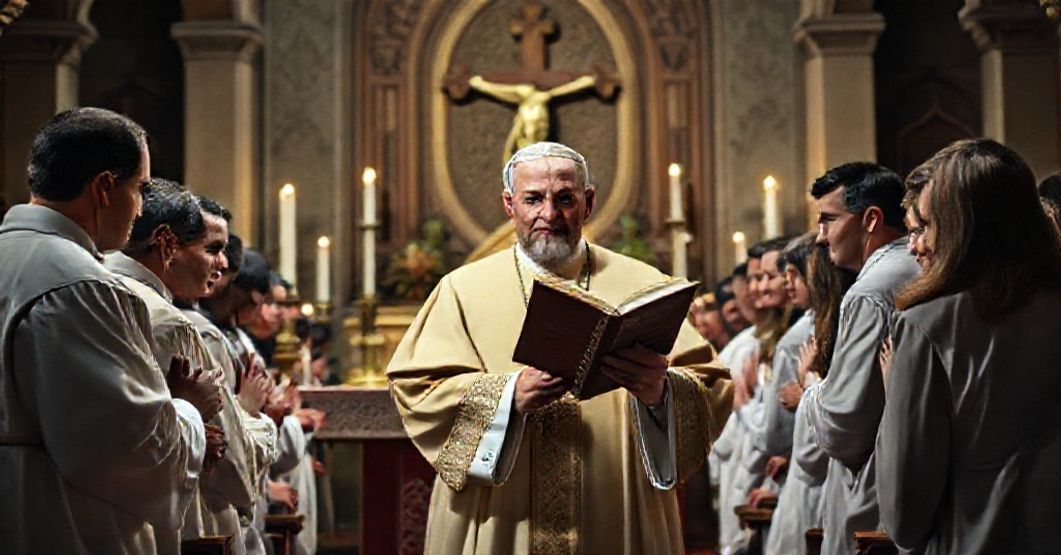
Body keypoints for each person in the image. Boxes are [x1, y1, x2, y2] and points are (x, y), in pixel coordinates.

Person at [387, 142, 732, 554]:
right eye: (533, 199)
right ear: (509, 204)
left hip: (612, 510)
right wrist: (507, 397)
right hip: (502, 520)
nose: (549, 214)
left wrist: (660, 392)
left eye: (564, 199)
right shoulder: (461, 291)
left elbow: (712, 388)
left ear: (588, 203)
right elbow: (417, 390)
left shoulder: (644, 285)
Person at [0, 107, 220, 553]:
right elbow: (126, 449)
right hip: (59, 520)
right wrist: (189, 409)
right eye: (138, 189)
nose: (139, 208)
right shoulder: (80, 283)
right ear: (104, 188)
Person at [878, 139, 1061, 554]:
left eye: (926, 225)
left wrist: (896, 400)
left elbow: (904, 515)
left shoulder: (926, 327)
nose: (915, 245)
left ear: (963, 226)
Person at [105, 180, 263, 554]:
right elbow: (235, 476)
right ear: (166, 244)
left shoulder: (97, 287)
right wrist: (259, 422)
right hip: (184, 516)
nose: (223, 265)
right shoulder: (168, 322)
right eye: (213, 249)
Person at [803, 161, 920, 554]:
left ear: (870, 219)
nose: (821, 238)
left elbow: (843, 424)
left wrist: (809, 391)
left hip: (876, 494)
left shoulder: (870, 291)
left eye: (829, 220)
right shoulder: (917, 266)